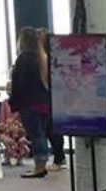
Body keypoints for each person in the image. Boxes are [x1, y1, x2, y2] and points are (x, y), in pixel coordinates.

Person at [10, 27, 51, 178]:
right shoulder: (41, 57)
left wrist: (14, 103)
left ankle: (39, 167)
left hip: (29, 103)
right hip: (43, 102)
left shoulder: (23, 58)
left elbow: (19, 84)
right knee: (41, 134)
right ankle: (42, 164)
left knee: (36, 135)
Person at [39, 29, 66, 172]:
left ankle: (59, 157)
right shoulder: (52, 56)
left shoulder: (47, 57)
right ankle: (59, 156)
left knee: (52, 128)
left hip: (53, 96)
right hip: (55, 95)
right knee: (53, 128)